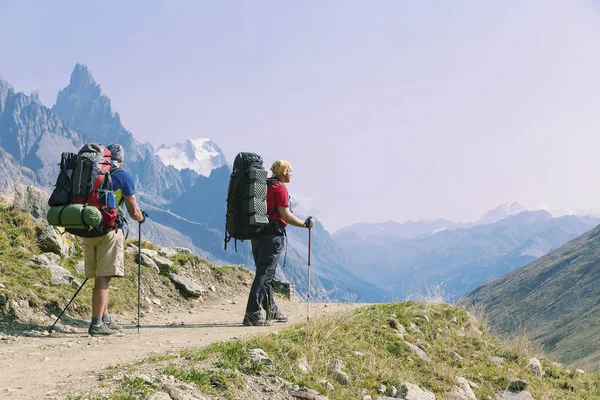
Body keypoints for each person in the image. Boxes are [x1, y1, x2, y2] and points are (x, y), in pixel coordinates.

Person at [83, 143, 146, 336]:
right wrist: (141, 217)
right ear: (121, 159)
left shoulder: (91, 173)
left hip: (87, 228)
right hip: (108, 231)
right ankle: (96, 324)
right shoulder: (122, 176)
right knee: (104, 278)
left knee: (97, 275)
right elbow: (133, 211)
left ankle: (105, 318)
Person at [243, 160, 314, 326]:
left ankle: (271, 309)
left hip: (257, 234)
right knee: (265, 273)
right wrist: (305, 224)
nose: (291, 174)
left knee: (264, 272)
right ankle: (252, 314)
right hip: (272, 235)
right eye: (290, 171)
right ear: (283, 171)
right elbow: (286, 215)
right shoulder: (280, 187)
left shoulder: (264, 185)